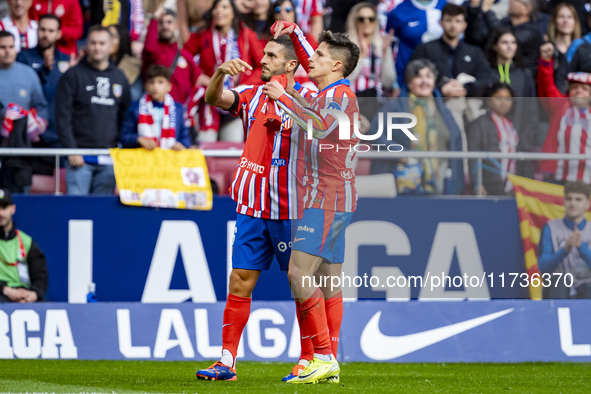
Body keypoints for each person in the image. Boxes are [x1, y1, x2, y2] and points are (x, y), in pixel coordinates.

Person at [194, 35, 311, 381]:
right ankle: (226, 362)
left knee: (302, 285)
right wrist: (218, 74)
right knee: (239, 279)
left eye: (272, 56)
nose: (263, 59)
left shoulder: (306, 99)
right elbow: (214, 98)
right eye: (264, 53)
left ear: (291, 65)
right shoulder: (252, 94)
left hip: (292, 209)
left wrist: (290, 104)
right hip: (253, 207)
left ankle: (311, 359)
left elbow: (328, 136)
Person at [269, 20, 360, 384]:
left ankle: (322, 356)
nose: (312, 59)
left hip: (326, 197)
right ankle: (329, 362)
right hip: (334, 196)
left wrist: (286, 98)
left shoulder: (338, 95)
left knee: (298, 273)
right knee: (328, 280)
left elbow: (321, 126)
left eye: (320, 55)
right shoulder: (331, 89)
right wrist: (295, 34)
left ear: (335, 65)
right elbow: (312, 60)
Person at [370, 59, 465, 195]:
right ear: (409, 82)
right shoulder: (395, 106)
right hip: (401, 182)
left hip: (439, 183)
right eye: (418, 76)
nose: (424, 81)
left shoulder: (442, 109)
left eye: (428, 76)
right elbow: (375, 132)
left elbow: (455, 140)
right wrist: (400, 153)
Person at [56, 25, 131, 195]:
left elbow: (125, 117)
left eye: (102, 43)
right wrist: (71, 150)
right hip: (79, 157)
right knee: (76, 211)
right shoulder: (72, 75)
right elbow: (62, 116)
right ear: (87, 45)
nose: (97, 47)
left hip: (109, 158)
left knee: (101, 214)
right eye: (93, 43)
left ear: (111, 46)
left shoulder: (120, 77)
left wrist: (120, 154)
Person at [183, 0, 264, 143]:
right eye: (216, 7)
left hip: (235, 99)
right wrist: (199, 75)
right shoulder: (204, 35)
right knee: (205, 145)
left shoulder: (246, 34)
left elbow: (261, 66)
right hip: (209, 102)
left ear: (233, 13)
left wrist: (244, 86)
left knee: (231, 147)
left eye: (225, 7)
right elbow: (185, 54)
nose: (219, 10)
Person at [410, 3, 494, 98]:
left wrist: (464, 88)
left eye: (458, 21)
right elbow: (412, 76)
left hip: (467, 106)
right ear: (441, 22)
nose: (453, 25)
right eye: (448, 20)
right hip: (433, 104)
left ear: (464, 25)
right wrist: (441, 89)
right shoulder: (424, 49)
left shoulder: (475, 52)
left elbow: (486, 79)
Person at [0, 30, 48, 193]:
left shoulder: (28, 74)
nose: (7, 51)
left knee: (20, 195)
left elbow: (41, 106)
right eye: (2, 47)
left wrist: (35, 127)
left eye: (11, 47)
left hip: (21, 147)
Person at [538, 41, 591, 184]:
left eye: (584, 88)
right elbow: (546, 85)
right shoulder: (560, 106)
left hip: (588, 178)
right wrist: (546, 61)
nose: (579, 91)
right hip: (558, 176)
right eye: (574, 88)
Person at [17, 14, 70, 149]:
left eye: (51, 31)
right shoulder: (23, 57)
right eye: (42, 29)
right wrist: (43, 70)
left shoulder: (67, 60)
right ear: (36, 30)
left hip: (58, 133)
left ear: (58, 34)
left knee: (59, 170)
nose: (45, 35)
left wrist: (76, 72)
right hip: (29, 132)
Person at [538, 181, 591, 298]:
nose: (573, 203)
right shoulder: (550, 228)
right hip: (558, 288)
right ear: (564, 201)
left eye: (578, 199)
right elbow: (544, 268)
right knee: (559, 281)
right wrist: (565, 249)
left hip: (587, 288)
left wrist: (582, 247)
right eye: (569, 199)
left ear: (587, 204)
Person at [120, 65, 191, 150]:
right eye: (152, 82)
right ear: (146, 86)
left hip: (170, 160)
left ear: (168, 87)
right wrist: (138, 139)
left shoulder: (178, 109)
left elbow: (186, 137)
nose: (155, 86)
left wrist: (181, 144)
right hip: (144, 159)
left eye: (160, 82)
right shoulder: (135, 107)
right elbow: (124, 136)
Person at [466, 83, 520, 196]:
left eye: (507, 98)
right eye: (498, 98)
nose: (503, 102)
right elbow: (473, 157)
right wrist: (477, 183)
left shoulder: (512, 124)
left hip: (511, 186)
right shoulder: (479, 124)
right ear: (489, 100)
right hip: (489, 185)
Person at [345, 1, 396, 118]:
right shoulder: (346, 44)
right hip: (353, 102)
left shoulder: (381, 44)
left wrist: (385, 55)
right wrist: (361, 56)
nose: (366, 22)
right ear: (355, 21)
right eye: (361, 19)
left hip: (377, 103)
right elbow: (345, 79)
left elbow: (389, 82)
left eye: (371, 19)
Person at [466, 0, 544, 75]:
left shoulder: (532, 32)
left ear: (526, 9)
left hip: (521, 81)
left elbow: (504, 37)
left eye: (516, 0)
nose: (510, 1)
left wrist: (487, 10)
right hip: (500, 74)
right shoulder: (505, 23)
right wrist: (474, 8)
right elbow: (476, 37)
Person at [142, 7, 201, 105]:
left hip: (181, 111)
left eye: (169, 22)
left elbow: (197, 79)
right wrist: (154, 19)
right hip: (155, 107)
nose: (165, 26)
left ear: (176, 25)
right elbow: (149, 48)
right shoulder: (153, 49)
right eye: (161, 23)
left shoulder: (185, 54)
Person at [0, 189, 48, 303]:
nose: (0, 213)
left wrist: (34, 294)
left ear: (12, 209)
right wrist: (6, 290)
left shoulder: (26, 241)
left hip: (25, 296)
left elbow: (40, 276)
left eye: (4, 207)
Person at [386, 0, 445, 89]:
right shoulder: (398, 11)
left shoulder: (445, 6)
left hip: (441, 75)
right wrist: (395, 83)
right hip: (409, 77)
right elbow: (389, 47)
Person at [548, 2, 580, 94]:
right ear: (554, 21)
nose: (565, 21)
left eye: (570, 17)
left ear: (575, 22)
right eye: (561, 16)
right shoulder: (547, 49)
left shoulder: (582, 49)